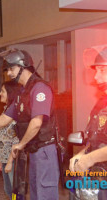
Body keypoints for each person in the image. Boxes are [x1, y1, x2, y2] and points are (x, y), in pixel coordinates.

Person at [0, 49, 60, 200]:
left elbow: (36, 122)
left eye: (11, 68)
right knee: (35, 194)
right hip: (33, 152)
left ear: (24, 66)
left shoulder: (40, 88)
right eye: (7, 69)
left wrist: (20, 144)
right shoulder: (23, 93)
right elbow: (5, 118)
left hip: (44, 151)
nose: (8, 73)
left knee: (45, 195)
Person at [69, 47, 107, 199]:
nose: (96, 77)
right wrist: (81, 154)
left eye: (102, 70)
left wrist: (89, 159)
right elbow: (96, 140)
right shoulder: (100, 105)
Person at [0, 81, 20, 199]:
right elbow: (4, 138)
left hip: (13, 160)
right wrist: (1, 159)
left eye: (3, 91)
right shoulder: (6, 110)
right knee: (9, 190)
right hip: (6, 159)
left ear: (10, 94)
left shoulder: (14, 113)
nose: (0, 93)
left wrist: (10, 161)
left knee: (15, 192)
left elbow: (16, 140)